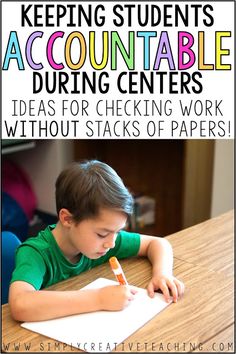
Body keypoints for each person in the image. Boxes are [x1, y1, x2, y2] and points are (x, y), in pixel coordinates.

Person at [9, 160, 184, 322]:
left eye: (118, 232)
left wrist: (162, 273)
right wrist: (99, 299)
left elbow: (158, 243)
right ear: (67, 219)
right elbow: (20, 304)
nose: (112, 243)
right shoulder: (35, 253)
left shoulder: (104, 242)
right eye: (102, 234)